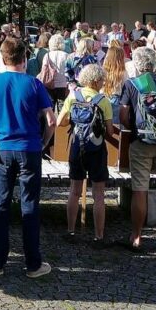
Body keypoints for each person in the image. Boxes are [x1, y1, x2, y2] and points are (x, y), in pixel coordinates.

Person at [0, 37, 57, 278]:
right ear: (25, 58)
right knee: (30, 204)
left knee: (1, 203)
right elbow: (52, 120)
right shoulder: (34, 84)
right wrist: (44, 142)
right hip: (30, 148)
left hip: (3, 148)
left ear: (3, 59)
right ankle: (33, 262)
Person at [119, 47, 156, 253]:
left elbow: (124, 115)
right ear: (154, 63)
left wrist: (134, 129)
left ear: (136, 64)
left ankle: (137, 236)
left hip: (140, 142)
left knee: (139, 190)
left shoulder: (131, 85)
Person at [60, 63, 114, 246]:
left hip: (77, 146)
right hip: (96, 149)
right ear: (95, 80)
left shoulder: (73, 96)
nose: (103, 82)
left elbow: (61, 122)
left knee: (74, 191)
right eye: (102, 79)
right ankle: (99, 236)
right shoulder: (103, 101)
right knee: (99, 194)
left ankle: (70, 231)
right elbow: (110, 131)